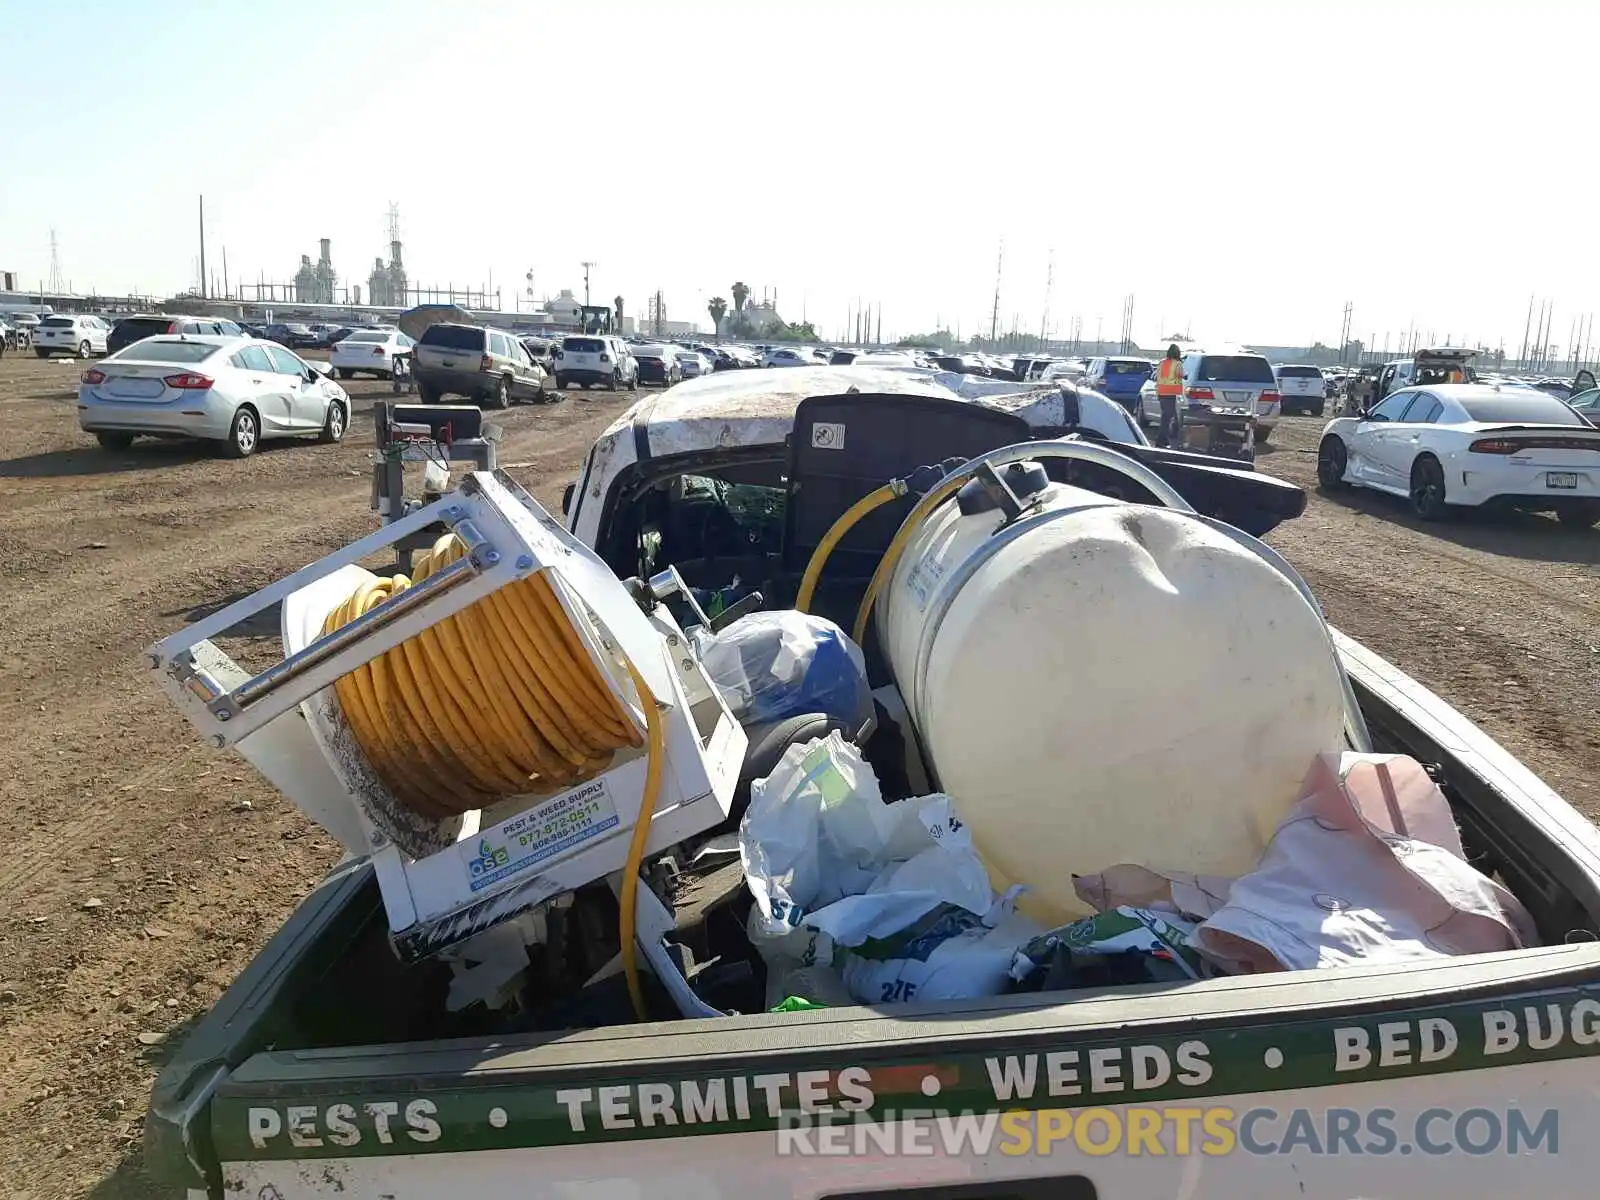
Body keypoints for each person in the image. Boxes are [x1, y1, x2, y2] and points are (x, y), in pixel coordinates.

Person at [1155, 344, 1184, 448]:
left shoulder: (1162, 363)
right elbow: (1181, 374)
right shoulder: (1177, 364)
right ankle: (1161, 440)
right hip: (1170, 394)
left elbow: (1158, 376)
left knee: (1166, 417)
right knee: (1167, 418)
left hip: (1161, 392)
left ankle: (1163, 440)